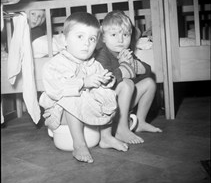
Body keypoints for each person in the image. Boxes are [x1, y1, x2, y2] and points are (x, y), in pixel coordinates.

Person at [39, 12, 128, 164]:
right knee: (71, 98)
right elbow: (57, 90)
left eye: (92, 39)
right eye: (80, 37)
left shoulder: (93, 64)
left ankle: (106, 138)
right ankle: (79, 144)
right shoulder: (55, 64)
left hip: (88, 110)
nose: (86, 43)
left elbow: (105, 82)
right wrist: (83, 82)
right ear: (65, 40)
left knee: (107, 93)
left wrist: (106, 80)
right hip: (60, 114)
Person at [95, 10, 162, 144]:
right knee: (126, 83)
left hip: (123, 104)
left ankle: (140, 122)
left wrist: (133, 64)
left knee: (149, 82)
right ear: (103, 37)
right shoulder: (102, 55)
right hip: (106, 106)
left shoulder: (126, 53)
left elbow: (147, 71)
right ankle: (121, 129)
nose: (120, 40)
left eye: (125, 35)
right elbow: (107, 81)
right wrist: (124, 66)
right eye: (113, 35)